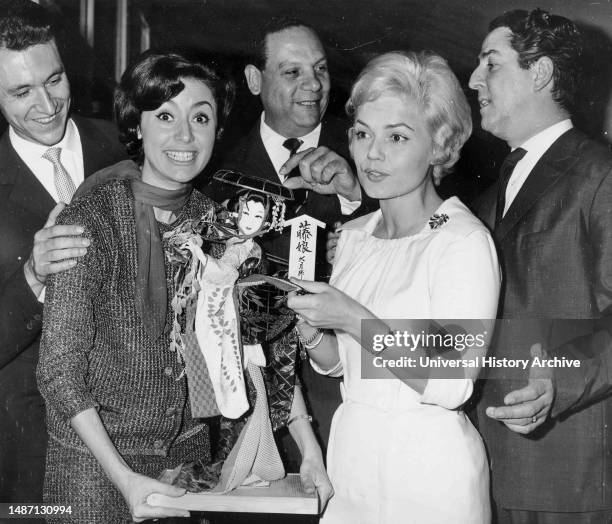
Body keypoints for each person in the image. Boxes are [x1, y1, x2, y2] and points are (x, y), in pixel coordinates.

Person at [37, 50, 331, 523]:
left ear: (218, 130)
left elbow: (258, 342)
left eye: (200, 117)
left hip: (186, 462)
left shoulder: (216, 224)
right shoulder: (91, 217)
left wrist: (309, 447)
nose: (184, 135)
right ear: (137, 126)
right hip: (93, 469)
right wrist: (125, 479)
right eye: (165, 116)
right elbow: (58, 373)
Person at [288, 51, 500, 523]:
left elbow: (450, 381)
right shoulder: (356, 235)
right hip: (353, 461)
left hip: (428, 473)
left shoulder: (461, 240)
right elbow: (343, 365)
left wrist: (350, 317)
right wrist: (314, 333)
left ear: (439, 145)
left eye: (397, 137)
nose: (372, 154)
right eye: (362, 134)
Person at [202, 17, 375, 471]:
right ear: (255, 80)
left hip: (349, 388)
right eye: (292, 72)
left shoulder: (368, 150)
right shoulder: (216, 169)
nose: (313, 85)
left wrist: (355, 196)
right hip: (251, 399)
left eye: (319, 69)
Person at [469, 9, 612, 523]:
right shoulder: (487, 197)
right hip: (486, 468)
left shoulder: (601, 175)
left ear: (541, 73)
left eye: (491, 63)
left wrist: (561, 382)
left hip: (569, 479)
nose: (473, 79)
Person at [0, 0, 126, 503]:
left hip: (139, 436)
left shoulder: (132, 146)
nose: (47, 104)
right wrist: (32, 277)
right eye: (21, 91)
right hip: (33, 453)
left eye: (54, 80)